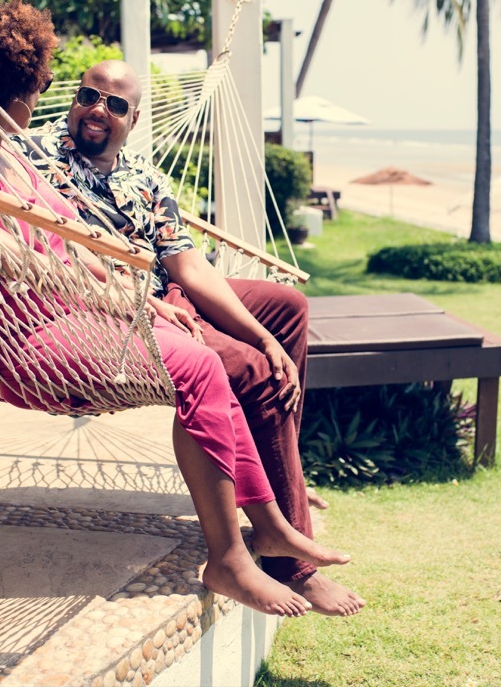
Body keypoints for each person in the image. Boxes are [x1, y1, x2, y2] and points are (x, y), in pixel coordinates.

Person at [0, 0, 349, 618]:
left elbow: (76, 249)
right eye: (43, 87)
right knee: (204, 366)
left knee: (233, 343)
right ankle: (232, 559)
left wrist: (140, 302)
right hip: (16, 335)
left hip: (84, 311)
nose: (47, 101)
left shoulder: (7, 153)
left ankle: (269, 524)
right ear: (14, 93)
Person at [24, 60, 365, 617]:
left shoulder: (145, 177)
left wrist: (264, 335)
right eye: (88, 96)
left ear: (133, 119)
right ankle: (290, 561)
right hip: (114, 308)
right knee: (247, 368)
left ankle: (280, 478)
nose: (97, 110)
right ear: (74, 98)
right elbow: (45, 246)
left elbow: (187, 265)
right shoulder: (37, 157)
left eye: (115, 104)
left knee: (287, 310)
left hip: (170, 292)